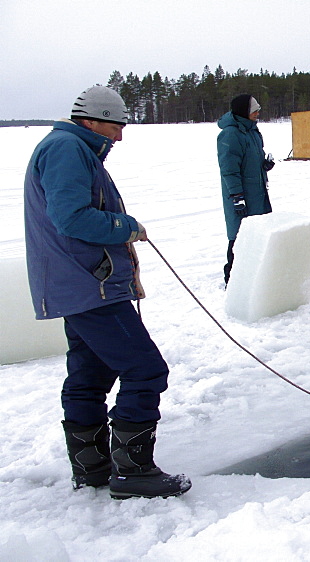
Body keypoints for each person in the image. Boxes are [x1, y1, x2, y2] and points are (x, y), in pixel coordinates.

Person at [23, 85, 191, 500]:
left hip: (76, 284)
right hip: (89, 286)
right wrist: (126, 226)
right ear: (92, 120)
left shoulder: (71, 147)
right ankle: (133, 472)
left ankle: (93, 468)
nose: (119, 136)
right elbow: (72, 218)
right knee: (145, 369)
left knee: (90, 374)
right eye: (116, 126)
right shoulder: (67, 150)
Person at [218, 94, 274, 285]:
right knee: (239, 238)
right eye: (254, 110)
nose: (258, 113)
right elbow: (229, 169)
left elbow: (249, 160)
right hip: (242, 197)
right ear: (244, 111)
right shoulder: (231, 134)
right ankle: (233, 282)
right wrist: (236, 196)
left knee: (259, 236)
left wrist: (263, 165)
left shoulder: (252, 131)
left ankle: (256, 280)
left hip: (258, 194)